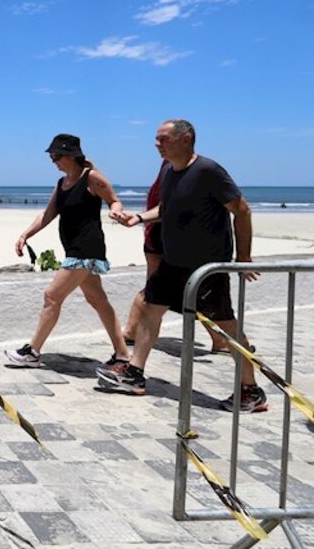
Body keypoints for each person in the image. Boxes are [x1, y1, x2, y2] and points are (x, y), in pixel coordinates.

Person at [97, 119, 267, 413]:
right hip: (173, 262)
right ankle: (135, 373)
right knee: (151, 309)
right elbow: (167, 208)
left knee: (225, 327)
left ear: (185, 139)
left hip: (206, 268)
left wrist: (244, 257)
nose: (156, 144)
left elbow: (241, 209)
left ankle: (250, 391)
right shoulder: (169, 171)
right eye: (156, 138)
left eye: (162, 138)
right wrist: (139, 218)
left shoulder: (208, 171)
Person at [6, 134, 130, 368]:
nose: (53, 161)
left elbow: (114, 200)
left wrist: (116, 211)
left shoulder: (91, 177)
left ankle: (32, 352)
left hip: (86, 247)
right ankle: (123, 354)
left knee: (52, 296)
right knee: (98, 300)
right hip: (74, 248)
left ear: (71, 155)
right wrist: (25, 235)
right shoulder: (62, 183)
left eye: (56, 156)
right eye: (51, 156)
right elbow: (47, 214)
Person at [121, 160, 228, 352]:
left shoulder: (173, 171)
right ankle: (132, 336)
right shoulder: (173, 171)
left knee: (166, 292)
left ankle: (131, 335)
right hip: (163, 240)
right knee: (162, 293)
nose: (159, 145)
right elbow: (168, 208)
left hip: (164, 240)